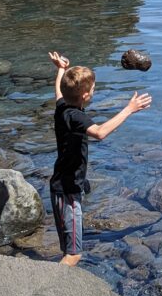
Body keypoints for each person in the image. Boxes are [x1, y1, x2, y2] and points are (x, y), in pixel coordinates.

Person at [47, 50, 152, 266]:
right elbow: (101, 132)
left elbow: (58, 91)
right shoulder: (77, 116)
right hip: (68, 192)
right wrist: (129, 109)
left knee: (68, 244)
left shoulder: (62, 108)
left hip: (61, 185)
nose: (95, 90)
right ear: (85, 96)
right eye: (93, 88)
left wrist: (60, 70)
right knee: (74, 254)